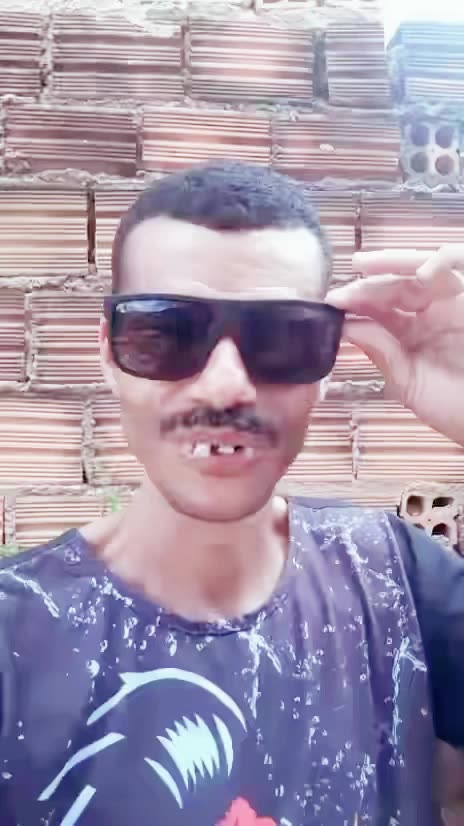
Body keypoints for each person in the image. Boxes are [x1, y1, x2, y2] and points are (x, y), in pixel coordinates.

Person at [0, 161, 463, 826]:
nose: (225, 386)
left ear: (327, 366)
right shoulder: (15, 640)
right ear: (109, 353)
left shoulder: (400, 584)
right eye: (166, 333)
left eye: (281, 338)